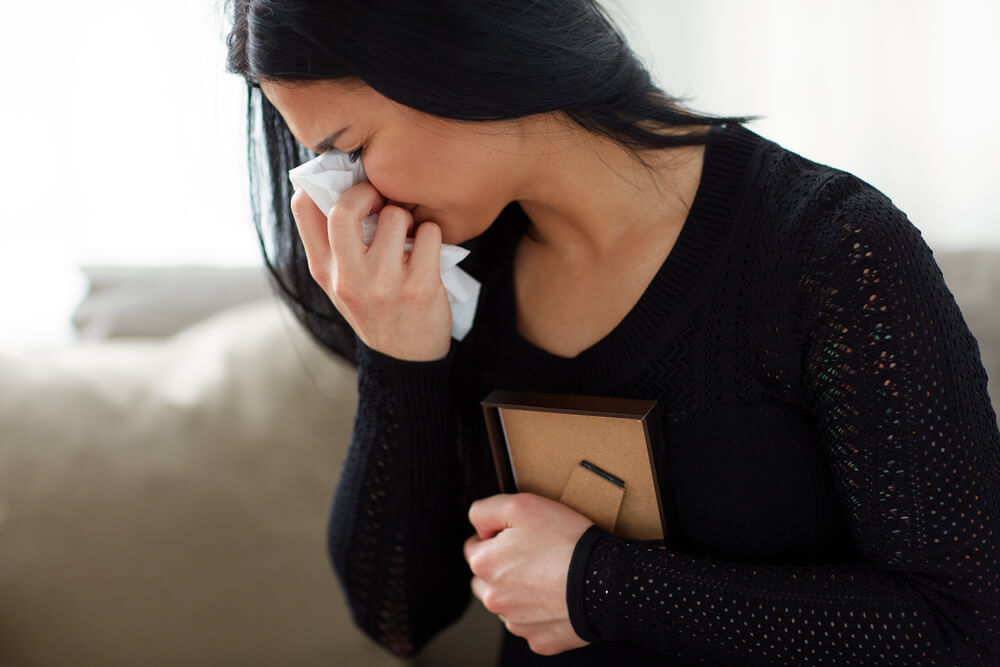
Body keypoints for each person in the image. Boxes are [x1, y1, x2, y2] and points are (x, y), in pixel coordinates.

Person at [224, 1, 1000, 664]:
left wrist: (597, 586)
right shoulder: (460, 277)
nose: (348, 196)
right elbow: (397, 615)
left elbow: (962, 627)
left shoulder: (829, 248)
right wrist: (398, 354)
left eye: (351, 150)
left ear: (452, 53)